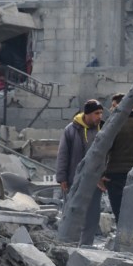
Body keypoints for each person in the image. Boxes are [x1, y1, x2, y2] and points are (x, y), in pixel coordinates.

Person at [55, 99, 103, 245]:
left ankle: (86, 244)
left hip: (95, 180)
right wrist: (62, 178)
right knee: (70, 210)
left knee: (93, 213)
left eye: (101, 113)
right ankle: (67, 243)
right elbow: (63, 155)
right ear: (87, 114)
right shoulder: (71, 130)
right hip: (73, 179)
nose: (99, 116)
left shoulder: (103, 130)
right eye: (96, 113)